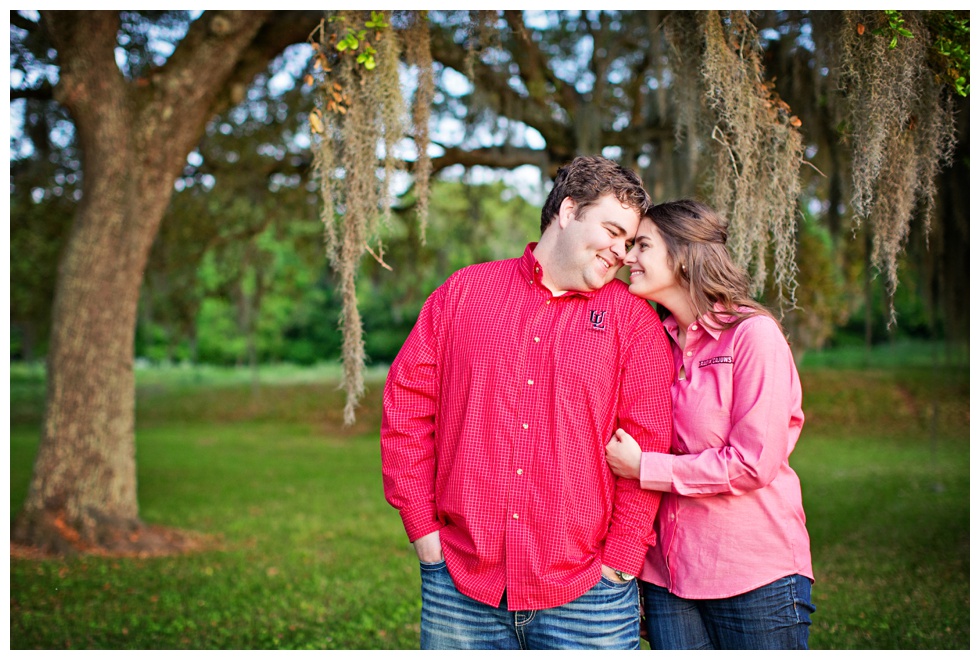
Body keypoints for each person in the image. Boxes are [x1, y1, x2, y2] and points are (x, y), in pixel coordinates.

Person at [380, 156, 674, 650]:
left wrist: (619, 561)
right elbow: (407, 408)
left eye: (628, 241)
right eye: (612, 230)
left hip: (588, 596)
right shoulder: (463, 294)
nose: (621, 252)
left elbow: (648, 444)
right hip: (461, 584)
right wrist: (422, 530)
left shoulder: (633, 321)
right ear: (568, 209)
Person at [604, 199, 815, 649]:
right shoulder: (653, 342)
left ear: (682, 255)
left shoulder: (753, 336)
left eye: (641, 245)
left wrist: (647, 467)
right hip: (667, 577)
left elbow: (753, 462)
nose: (627, 257)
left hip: (752, 573)